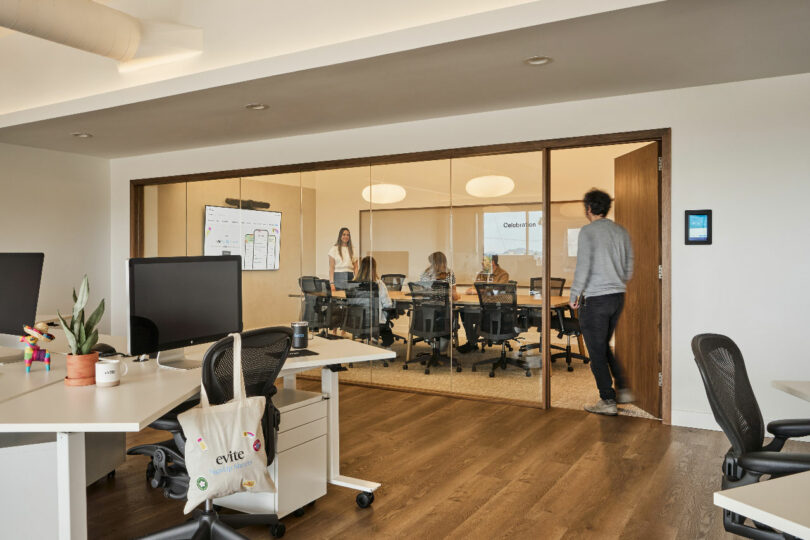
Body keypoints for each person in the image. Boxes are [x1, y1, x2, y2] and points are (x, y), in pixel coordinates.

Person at [570, 189, 634, 416]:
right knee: (603, 345)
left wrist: (574, 295)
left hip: (596, 299)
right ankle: (623, 388)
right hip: (617, 297)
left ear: (588, 208)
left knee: (596, 351)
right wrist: (616, 282)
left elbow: (583, 266)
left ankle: (607, 400)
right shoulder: (620, 231)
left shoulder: (587, 232)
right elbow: (629, 267)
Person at [459, 255, 510, 352]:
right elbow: (474, 288)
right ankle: (472, 341)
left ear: (492, 262)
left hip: (495, 309)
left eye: (484, 261)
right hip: (481, 306)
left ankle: (471, 343)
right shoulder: (481, 274)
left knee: (480, 315)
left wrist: (481, 291)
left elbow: (497, 292)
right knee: (465, 313)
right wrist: (478, 290)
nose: (482, 263)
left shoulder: (503, 274)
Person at [354, 256, 394, 347]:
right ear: (374, 269)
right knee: (385, 321)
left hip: (358, 321)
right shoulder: (379, 284)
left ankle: (372, 338)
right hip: (375, 321)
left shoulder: (354, 284)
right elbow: (387, 304)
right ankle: (387, 347)